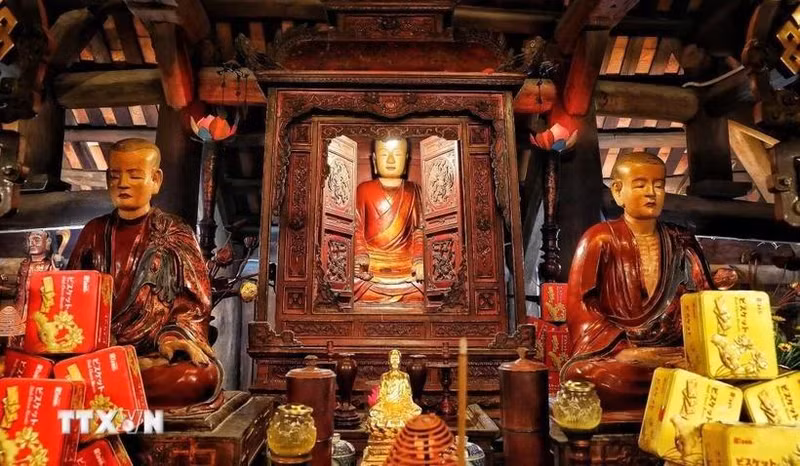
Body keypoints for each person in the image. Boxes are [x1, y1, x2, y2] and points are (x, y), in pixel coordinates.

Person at [561, 151, 730, 412]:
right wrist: (627, 350)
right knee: (585, 376)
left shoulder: (681, 240)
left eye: (659, 185)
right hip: (620, 354)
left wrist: (721, 287)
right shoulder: (599, 238)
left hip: (673, 351)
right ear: (618, 191)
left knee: (721, 369)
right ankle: (675, 388)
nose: (651, 193)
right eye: (640, 185)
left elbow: (704, 300)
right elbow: (581, 307)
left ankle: (678, 383)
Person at [68, 138, 220, 410]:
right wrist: (98, 342)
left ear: (156, 179)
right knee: (64, 371)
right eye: (115, 175)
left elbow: (194, 303)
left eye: (134, 175)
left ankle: (109, 390)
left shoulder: (175, 232)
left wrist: (171, 338)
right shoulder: (93, 232)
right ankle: (113, 382)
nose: (123, 183)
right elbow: (72, 299)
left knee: (198, 377)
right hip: (101, 354)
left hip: (156, 356)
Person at [353, 139, 425, 304]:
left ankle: (391, 297)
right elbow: (356, 227)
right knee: (352, 284)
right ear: (374, 160)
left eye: (397, 154)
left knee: (425, 287)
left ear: (406, 160)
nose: (391, 160)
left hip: (406, 266)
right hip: (372, 265)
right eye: (384, 154)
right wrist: (361, 256)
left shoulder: (414, 190)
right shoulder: (363, 190)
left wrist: (419, 261)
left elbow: (419, 231)